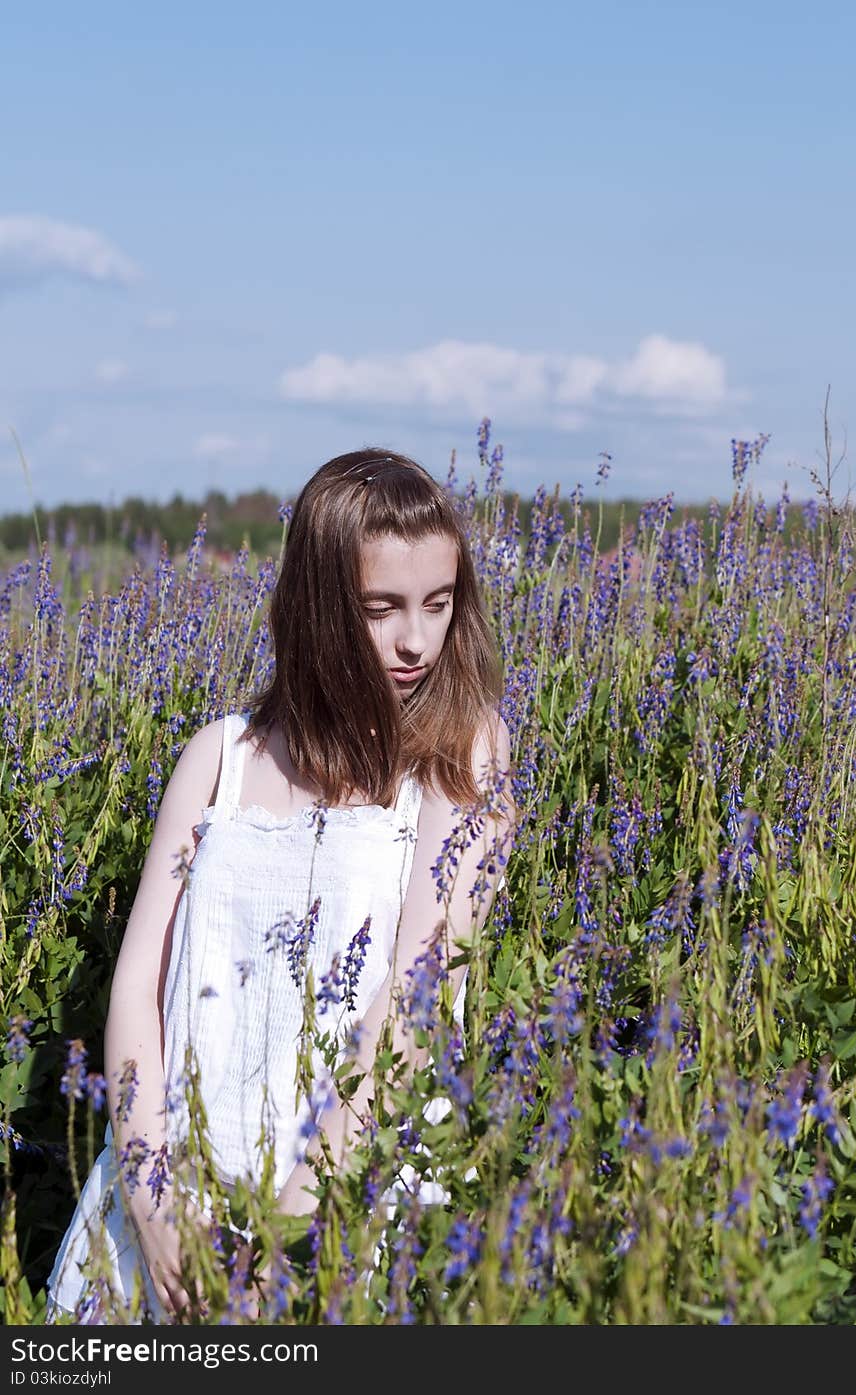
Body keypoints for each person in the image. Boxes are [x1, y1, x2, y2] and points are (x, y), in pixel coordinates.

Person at [46, 447, 516, 1324]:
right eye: (383, 609)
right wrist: (155, 1210)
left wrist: (284, 1233)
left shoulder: (464, 753)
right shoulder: (218, 758)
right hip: (171, 1200)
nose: (418, 638)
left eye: (439, 603)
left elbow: (416, 1002)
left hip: (352, 1205)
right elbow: (138, 993)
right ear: (318, 607)